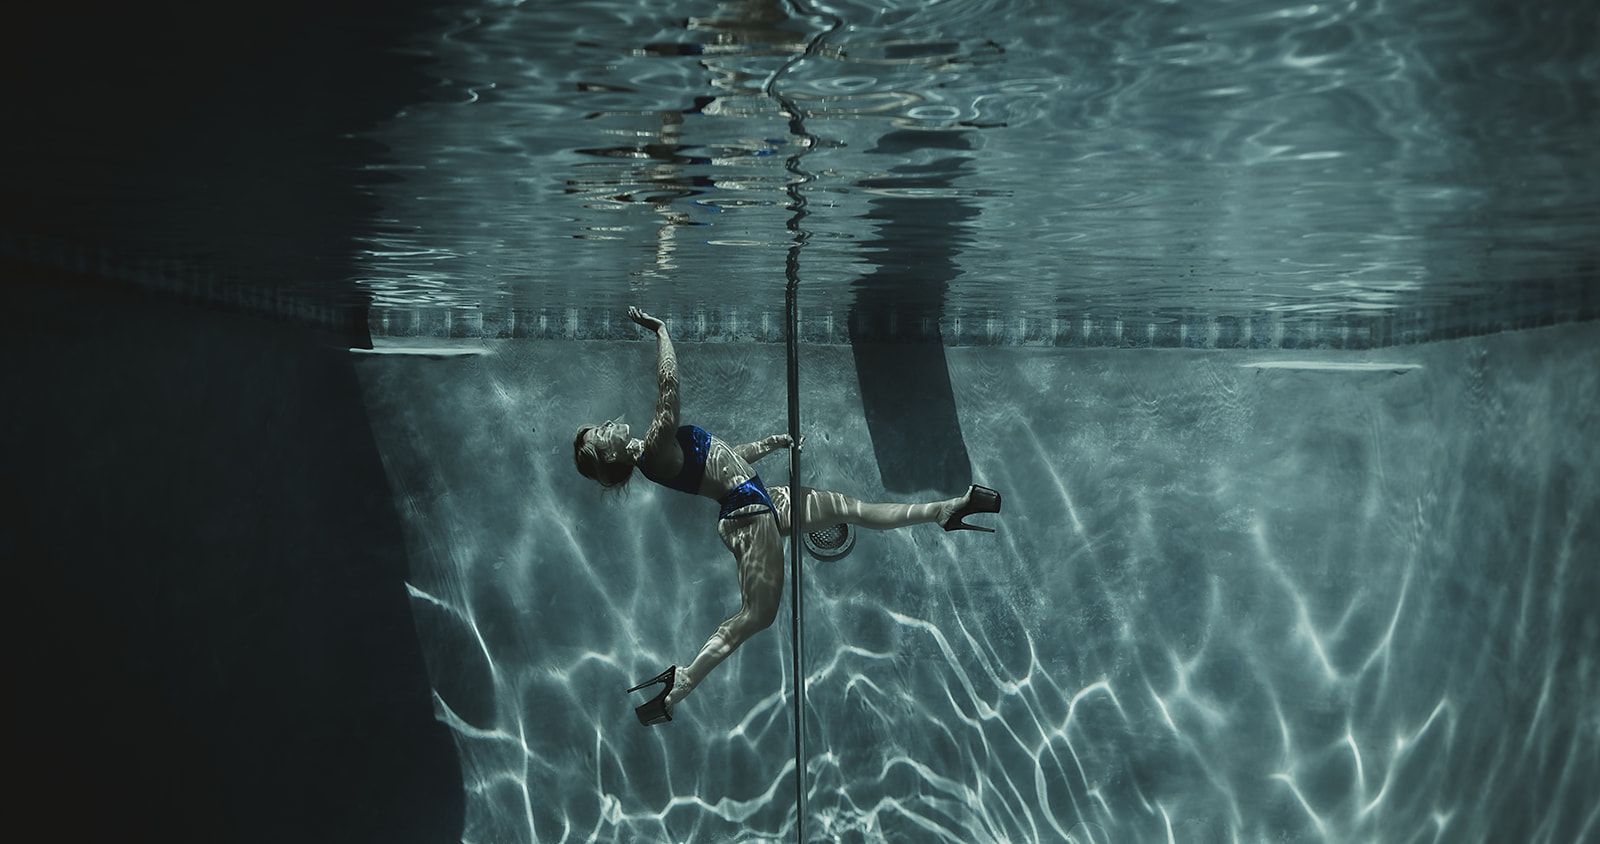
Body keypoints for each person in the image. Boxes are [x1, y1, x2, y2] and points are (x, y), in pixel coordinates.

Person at [573, 306, 1002, 725]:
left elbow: (722, 459)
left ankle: (944, 511)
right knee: (757, 615)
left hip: (757, 497)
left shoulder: (658, 451)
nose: (607, 424)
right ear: (610, 455)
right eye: (601, 433)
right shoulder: (652, 450)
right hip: (747, 512)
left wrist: (768, 444)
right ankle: (683, 681)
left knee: (853, 509)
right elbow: (669, 389)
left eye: (600, 425)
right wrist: (661, 331)